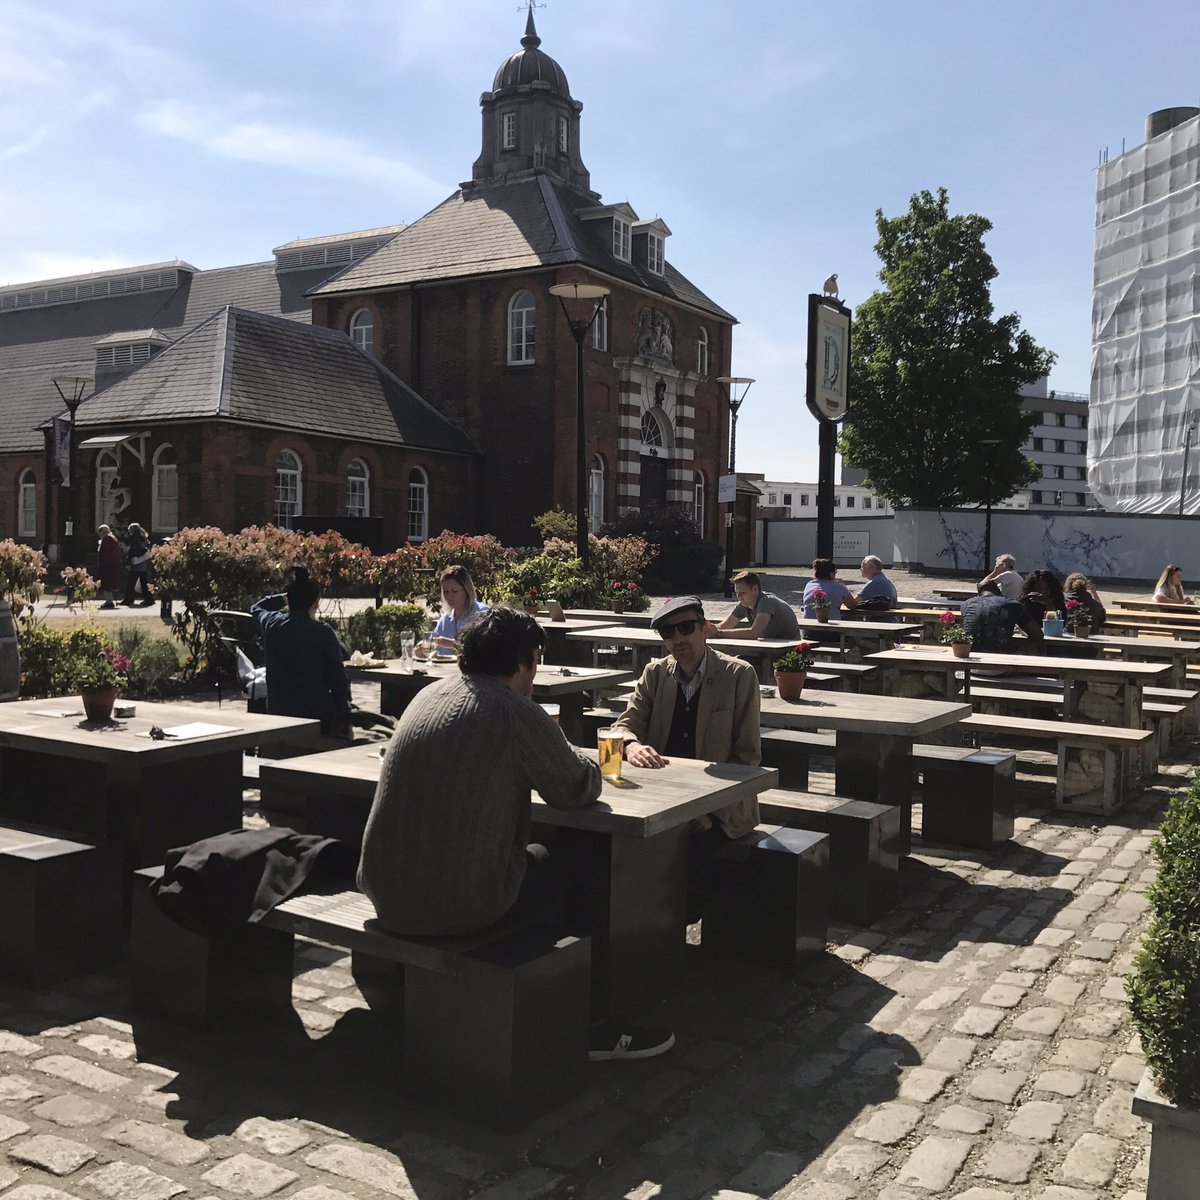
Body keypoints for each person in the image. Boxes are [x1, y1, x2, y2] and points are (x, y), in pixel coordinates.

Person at [358, 607, 672, 1061]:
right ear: (524, 661)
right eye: (537, 659)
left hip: (384, 891)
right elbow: (579, 786)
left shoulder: (429, 694)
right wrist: (557, 740)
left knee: (534, 855)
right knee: (586, 859)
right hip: (453, 905)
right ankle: (591, 1023)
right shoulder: (513, 712)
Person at [611, 596, 761, 921]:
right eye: (668, 632)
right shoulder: (655, 674)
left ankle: (667, 943)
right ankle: (631, 936)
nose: (678, 638)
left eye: (686, 627)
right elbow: (622, 727)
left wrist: (708, 812)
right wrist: (632, 745)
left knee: (692, 862)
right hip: (661, 801)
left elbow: (747, 759)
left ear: (706, 628)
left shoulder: (739, 675)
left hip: (720, 809)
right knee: (612, 849)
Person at [252, 568, 351, 736]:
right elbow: (339, 681)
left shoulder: (272, 624)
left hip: (278, 711)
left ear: (289, 600)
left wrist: (283, 598)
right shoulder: (322, 632)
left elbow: (256, 607)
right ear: (316, 602)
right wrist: (345, 712)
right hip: (316, 715)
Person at [421, 564, 490, 657]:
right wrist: (422, 650)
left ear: (466, 590)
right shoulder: (445, 621)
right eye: (446, 592)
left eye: (454, 591)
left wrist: (453, 644)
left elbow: (486, 649)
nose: (450, 597)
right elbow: (433, 647)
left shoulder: (482, 614)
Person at [716, 570, 800, 639]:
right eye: (737, 592)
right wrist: (708, 629)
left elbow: (754, 633)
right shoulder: (743, 604)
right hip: (769, 647)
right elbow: (724, 626)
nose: (739, 596)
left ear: (755, 589)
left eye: (742, 592)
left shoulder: (767, 601)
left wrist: (719, 633)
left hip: (788, 652)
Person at [960, 592, 1045, 653]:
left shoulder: (965, 605)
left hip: (971, 666)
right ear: (998, 590)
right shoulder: (1012, 604)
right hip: (1001, 668)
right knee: (1034, 646)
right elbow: (1038, 635)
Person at [121, 522, 154, 606]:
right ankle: (149, 599)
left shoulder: (134, 539)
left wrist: (128, 562)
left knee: (131, 584)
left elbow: (132, 552)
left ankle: (128, 600)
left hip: (135, 564)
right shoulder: (144, 539)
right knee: (144, 584)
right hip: (143, 564)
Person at [96, 524, 122, 610]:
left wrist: (101, 564)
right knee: (109, 585)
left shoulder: (107, 539)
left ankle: (109, 601)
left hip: (108, 565)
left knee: (106, 584)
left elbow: (105, 554)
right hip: (114, 564)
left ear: (102, 532)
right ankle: (109, 600)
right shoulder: (113, 538)